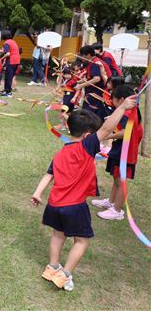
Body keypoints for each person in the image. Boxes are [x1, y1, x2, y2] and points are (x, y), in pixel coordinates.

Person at [30, 96, 137, 292]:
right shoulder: (86, 146)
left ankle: (52, 267)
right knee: (82, 241)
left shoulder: (61, 152)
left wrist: (37, 193)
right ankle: (65, 274)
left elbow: (49, 174)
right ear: (88, 135)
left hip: (54, 204)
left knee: (57, 235)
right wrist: (122, 107)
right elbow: (106, 129)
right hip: (74, 206)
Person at [92, 85, 143, 220]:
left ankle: (117, 210)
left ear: (121, 100)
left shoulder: (127, 113)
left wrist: (108, 135)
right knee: (116, 178)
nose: (111, 102)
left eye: (112, 99)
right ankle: (111, 201)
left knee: (121, 181)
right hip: (119, 150)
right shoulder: (130, 110)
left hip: (125, 153)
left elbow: (126, 132)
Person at [75, 45, 111, 119]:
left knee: (90, 112)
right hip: (94, 91)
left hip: (99, 92)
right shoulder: (91, 62)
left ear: (88, 55)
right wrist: (80, 82)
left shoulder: (96, 63)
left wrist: (81, 86)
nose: (81, 57)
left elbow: (96, 79)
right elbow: (91, 77)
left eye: (82, 55)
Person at [0, 30, 20, 97]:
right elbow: (6, 51)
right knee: (9, 76)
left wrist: (0, 59)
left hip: (12, 61)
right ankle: (6, 90)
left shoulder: (6, 43)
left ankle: (8, 92)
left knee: (8, 76)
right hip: (17, 61)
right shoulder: (12, 41)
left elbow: (7, 53)